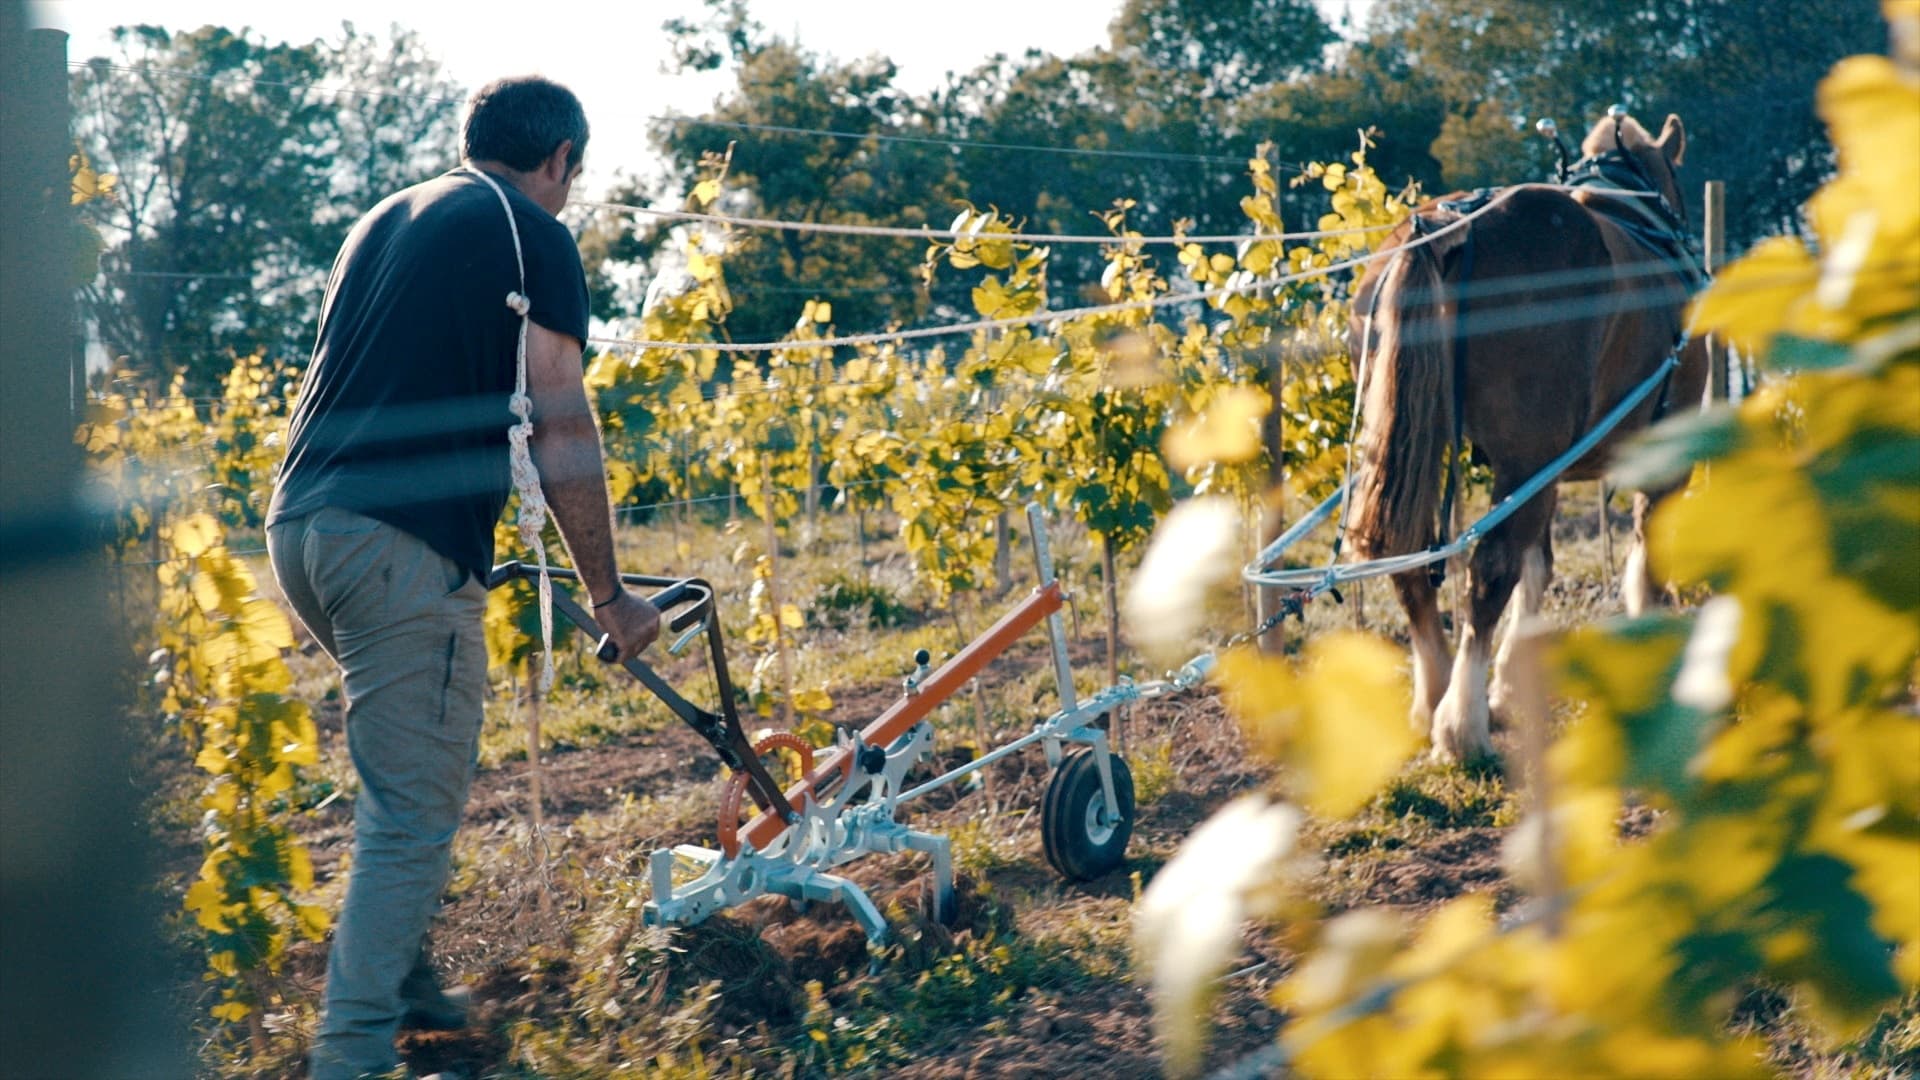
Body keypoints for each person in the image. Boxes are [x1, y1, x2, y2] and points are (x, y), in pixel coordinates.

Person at [266, 75, 659, 1080]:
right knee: (414, 812)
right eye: (576, 172)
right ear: (561, 159)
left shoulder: (387, 217)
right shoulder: (531, 230)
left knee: (401, 775)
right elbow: (563, 420)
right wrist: (611, 595)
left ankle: (408, 987)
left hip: (302, 527)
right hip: (397, 540)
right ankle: (351, 1056)